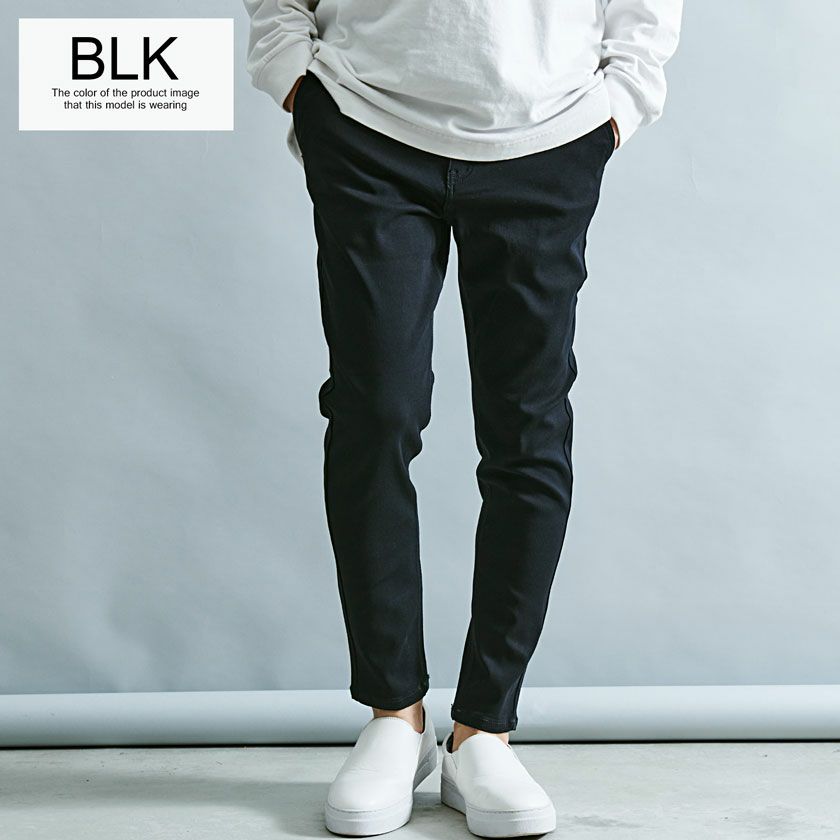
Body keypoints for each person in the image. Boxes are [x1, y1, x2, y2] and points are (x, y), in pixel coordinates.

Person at [243, 1, 682, 835]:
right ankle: (394, 716)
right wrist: (294, 75)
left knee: (528, 433)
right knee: (374, 413)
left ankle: (485, 729)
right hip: (366, 118)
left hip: (548, 132)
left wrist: (620, 102)